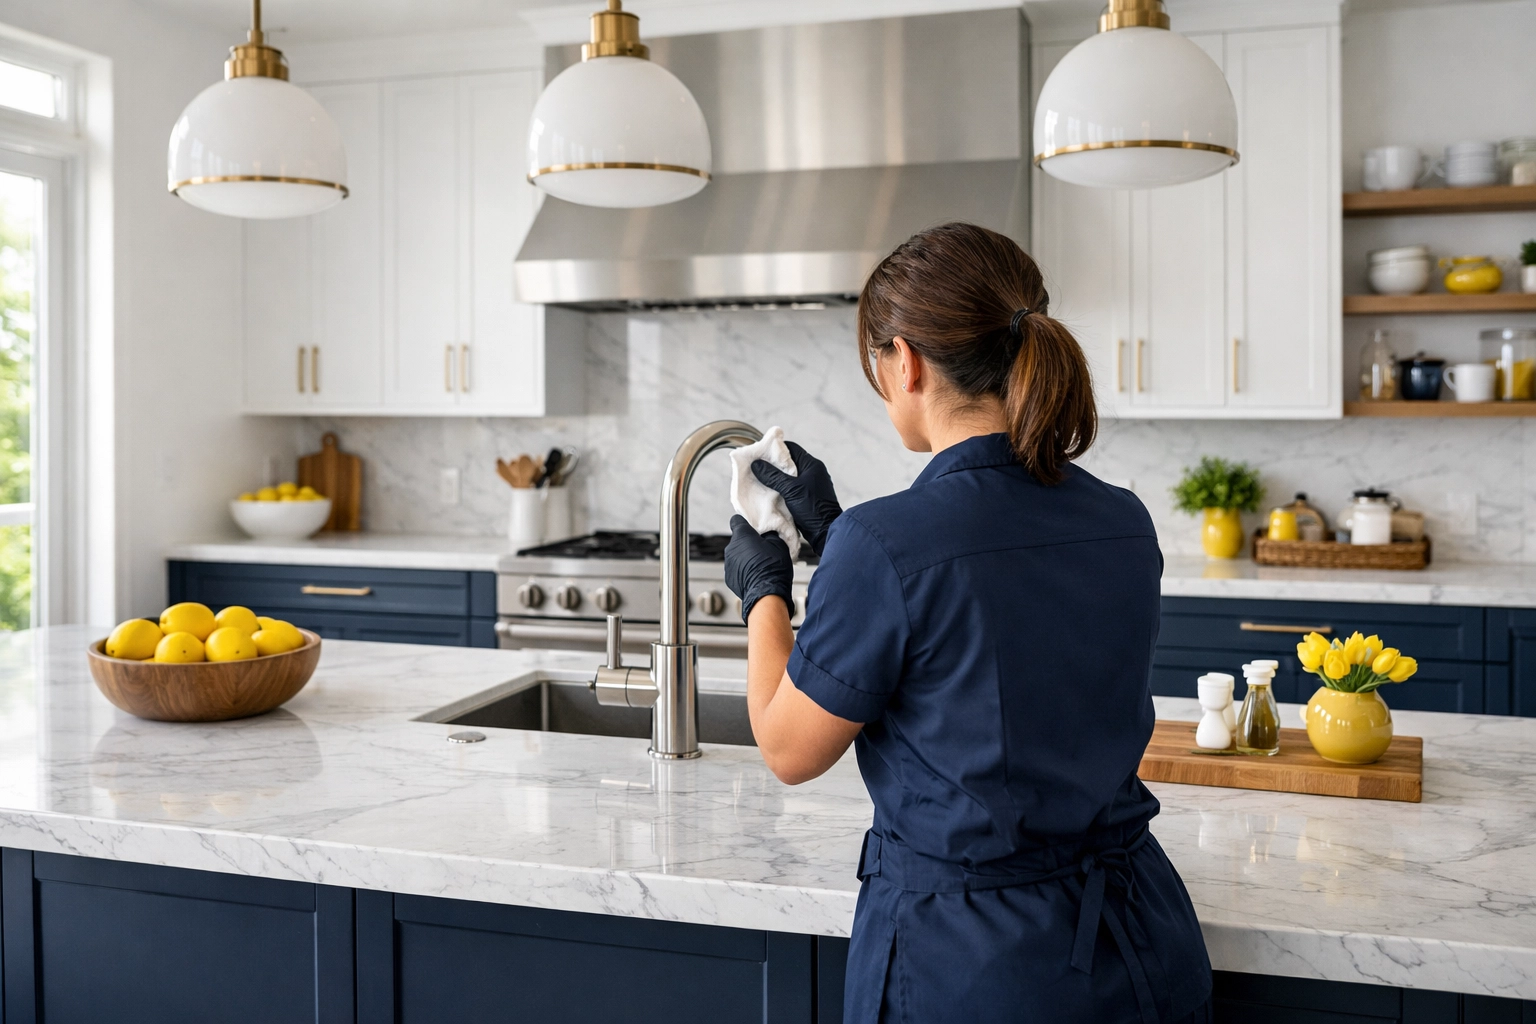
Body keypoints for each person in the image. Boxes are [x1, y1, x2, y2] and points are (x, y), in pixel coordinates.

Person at [722, 222, 1212, 1023]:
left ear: (904, 360)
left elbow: (787, 748)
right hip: (1142, 943)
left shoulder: (886, 545)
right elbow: (974, 628)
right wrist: (833, 539)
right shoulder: (1124, 520)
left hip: (980, 968)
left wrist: (763, 588)